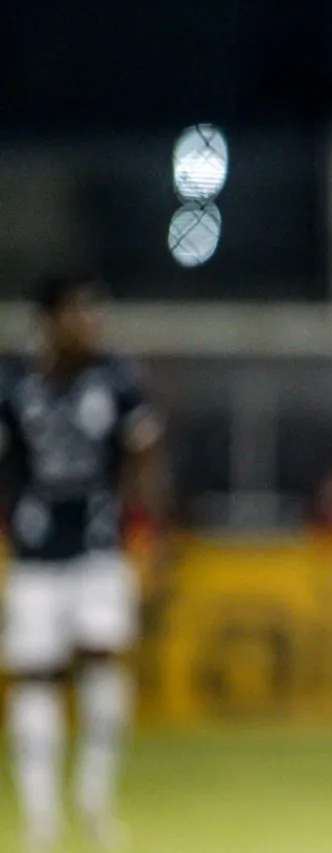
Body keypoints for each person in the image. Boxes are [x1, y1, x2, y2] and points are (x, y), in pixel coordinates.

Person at [1, 275, 168, 852]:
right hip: (35, 556)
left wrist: (148, 535)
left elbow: (144, 457)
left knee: (102, 663)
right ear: (50, 319)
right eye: (80, 312)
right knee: (35, 675)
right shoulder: (13, 384)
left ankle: (95, 802)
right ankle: (40, 819)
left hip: (100, 551)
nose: (92, 323)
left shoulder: (118, 381)